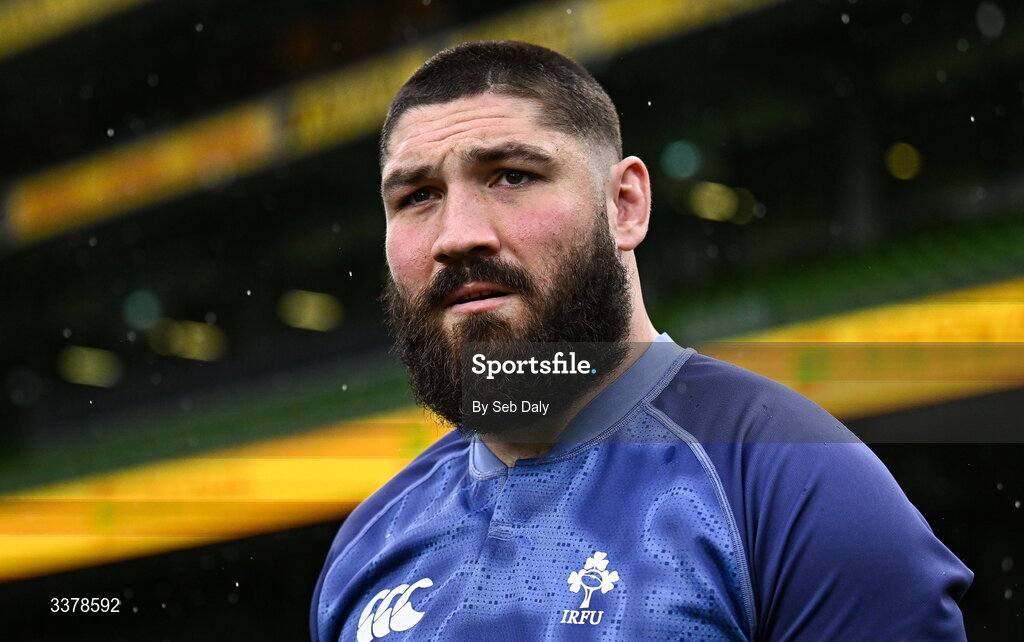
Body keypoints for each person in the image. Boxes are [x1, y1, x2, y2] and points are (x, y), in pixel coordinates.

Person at [311, 41, 971, 641]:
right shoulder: (368, 547)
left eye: (511, 175)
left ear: (624, 204)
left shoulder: (796, 489)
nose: (456, 235)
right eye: (418, 196)